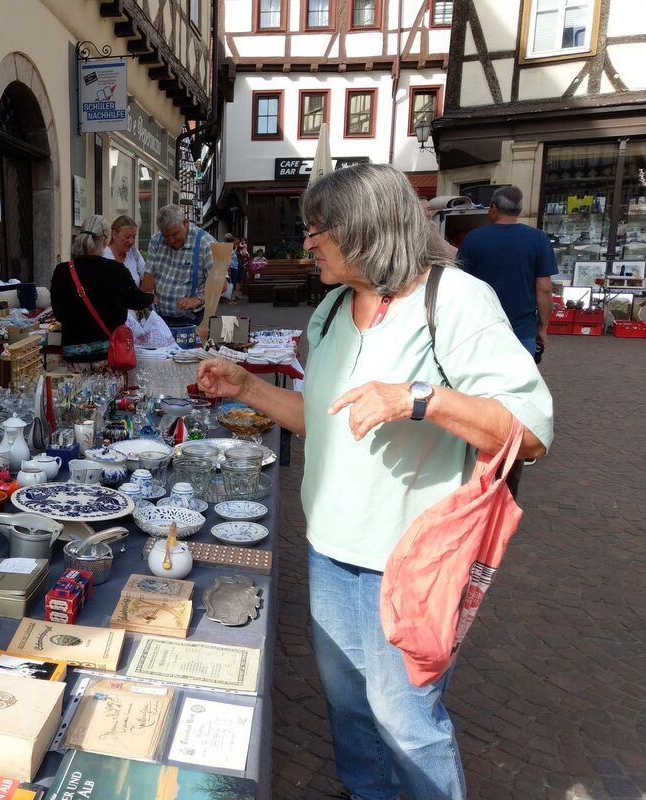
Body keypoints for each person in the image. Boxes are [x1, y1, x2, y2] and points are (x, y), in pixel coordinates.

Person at [196, 164, 553, 800]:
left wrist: (420, 397)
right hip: (330, 548)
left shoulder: (458, 300)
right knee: (350, 708)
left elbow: (527, 434)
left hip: (410, 559)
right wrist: (247, 387)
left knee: (406, 721)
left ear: (366, 233)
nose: (308, 244)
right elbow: (321, 419)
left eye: (318, 231)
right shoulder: (332, 308)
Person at [456, 185, 557, 356]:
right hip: (522, 331)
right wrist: (543, 328)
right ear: (520, 209)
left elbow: (459, 284)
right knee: (521, 381)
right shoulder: (538, 239)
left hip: (481, 329)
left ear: (493, 207)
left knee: (480, 381)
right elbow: (544, 289)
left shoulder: (473, 238)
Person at [50, 215, 153, 372]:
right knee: (109, 396)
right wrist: (151, 297)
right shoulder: (116, 270)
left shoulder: (62, 271)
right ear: (105, 240)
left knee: (77, 396)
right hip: (109, 355)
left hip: (74, 355)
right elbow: (136, 301)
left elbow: (58, 314)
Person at [141, 205, 215, 328]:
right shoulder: (156, 240)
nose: (170, 240)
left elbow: (220, 284)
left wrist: (196, 299)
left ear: (185, 223)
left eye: (175, 234)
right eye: (166, 235)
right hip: (159, 319)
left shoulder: (205, 243)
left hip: (192, 321)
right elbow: (149, 276)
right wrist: (145, 299)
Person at [102, 215, 145, 285]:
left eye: (134, 237)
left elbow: (146, 279)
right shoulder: (103, 255)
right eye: (127, 237)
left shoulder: (135, 254)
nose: (131, 241)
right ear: (114, 234)